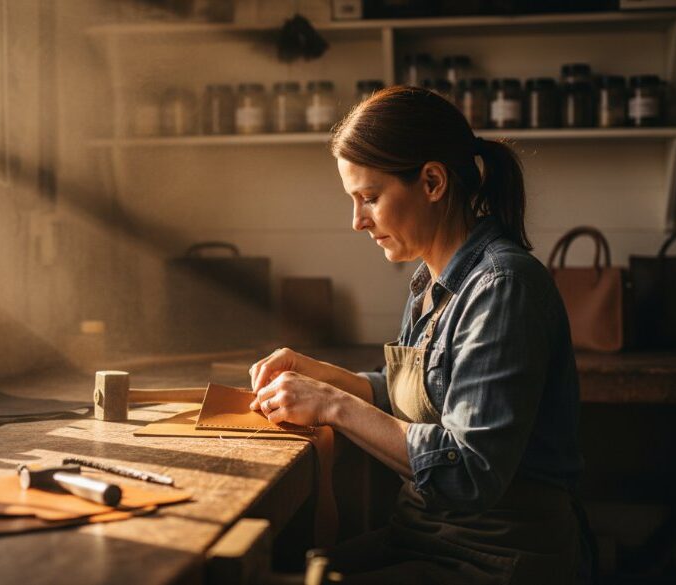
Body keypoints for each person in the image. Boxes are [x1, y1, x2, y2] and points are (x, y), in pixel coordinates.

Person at [249, 86, 589, 584]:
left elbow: (468, 473)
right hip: (422, 537)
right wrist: (326, 377)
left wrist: (333, 404)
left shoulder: (503, 286)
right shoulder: (432, 280)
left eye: (369, 198)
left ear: (432, 181)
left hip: (493, 560)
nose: (357, 221)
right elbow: (429, 396)